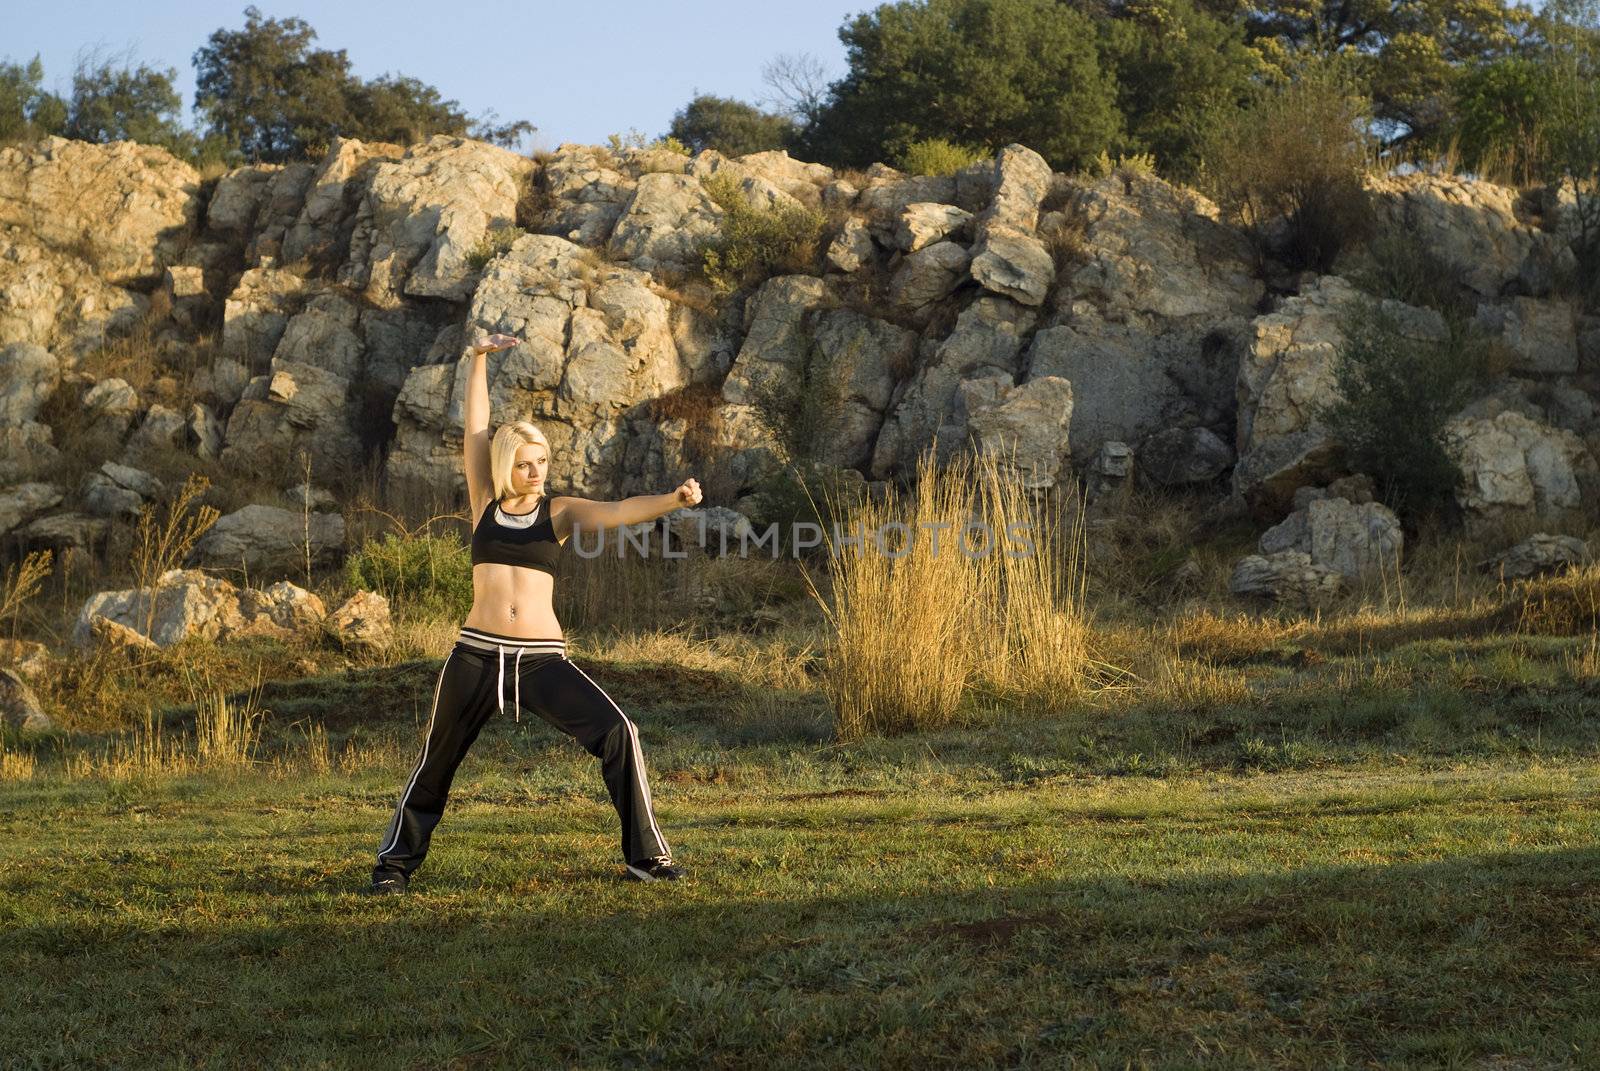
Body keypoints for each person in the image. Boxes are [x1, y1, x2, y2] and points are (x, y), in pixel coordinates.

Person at [365, 331, 699, 894]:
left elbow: (619, 510)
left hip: (540, 661)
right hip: (474, 656)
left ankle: (648, 858)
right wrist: (475, 361)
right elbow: (475, 429)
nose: (537, 472)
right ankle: (393, 868)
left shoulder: (560, 512)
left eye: (542, 462)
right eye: (526, 464)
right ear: (505, 466)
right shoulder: (483, 505)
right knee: (436, 761)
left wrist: (672, 499)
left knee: (620, 731)